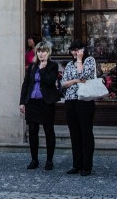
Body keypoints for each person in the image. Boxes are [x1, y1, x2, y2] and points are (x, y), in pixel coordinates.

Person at [19, 40, 60, 170]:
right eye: (39, 51)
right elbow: (26, 84)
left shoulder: (53, 66)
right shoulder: (32, 66)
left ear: (48, 53)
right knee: (32, 131)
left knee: (49, 131)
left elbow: (50, 81)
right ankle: (34, 159)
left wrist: (42, 70)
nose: (41, 54)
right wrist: (22, 102)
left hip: (46, 102)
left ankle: (49, 160)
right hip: (32, 102)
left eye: (44, 51)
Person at [61, 40, 98, 176]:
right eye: (73, 50)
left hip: (85, 100)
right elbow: (63, 83)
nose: (75, 53)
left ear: (83, 50)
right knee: (74, 133)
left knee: (86, 133)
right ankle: (76, 164)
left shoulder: (89, 60)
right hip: (70, 100)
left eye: (78, 50)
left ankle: (86, 166)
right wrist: (75, 81)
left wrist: (79, 60)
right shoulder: (69, 64)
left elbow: (83, 75)